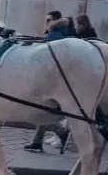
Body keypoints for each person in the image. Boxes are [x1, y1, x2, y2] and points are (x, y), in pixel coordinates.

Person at [24, 10, 71, 153]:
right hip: (59, 78)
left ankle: (61, 132)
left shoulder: (55, 34)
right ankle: (38, 141)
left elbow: (49, 57)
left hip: (52, 78)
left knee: (41, 109)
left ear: (55, 20)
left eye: (48, 20)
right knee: (44, 109)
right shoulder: (63, 32)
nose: (46, 22)